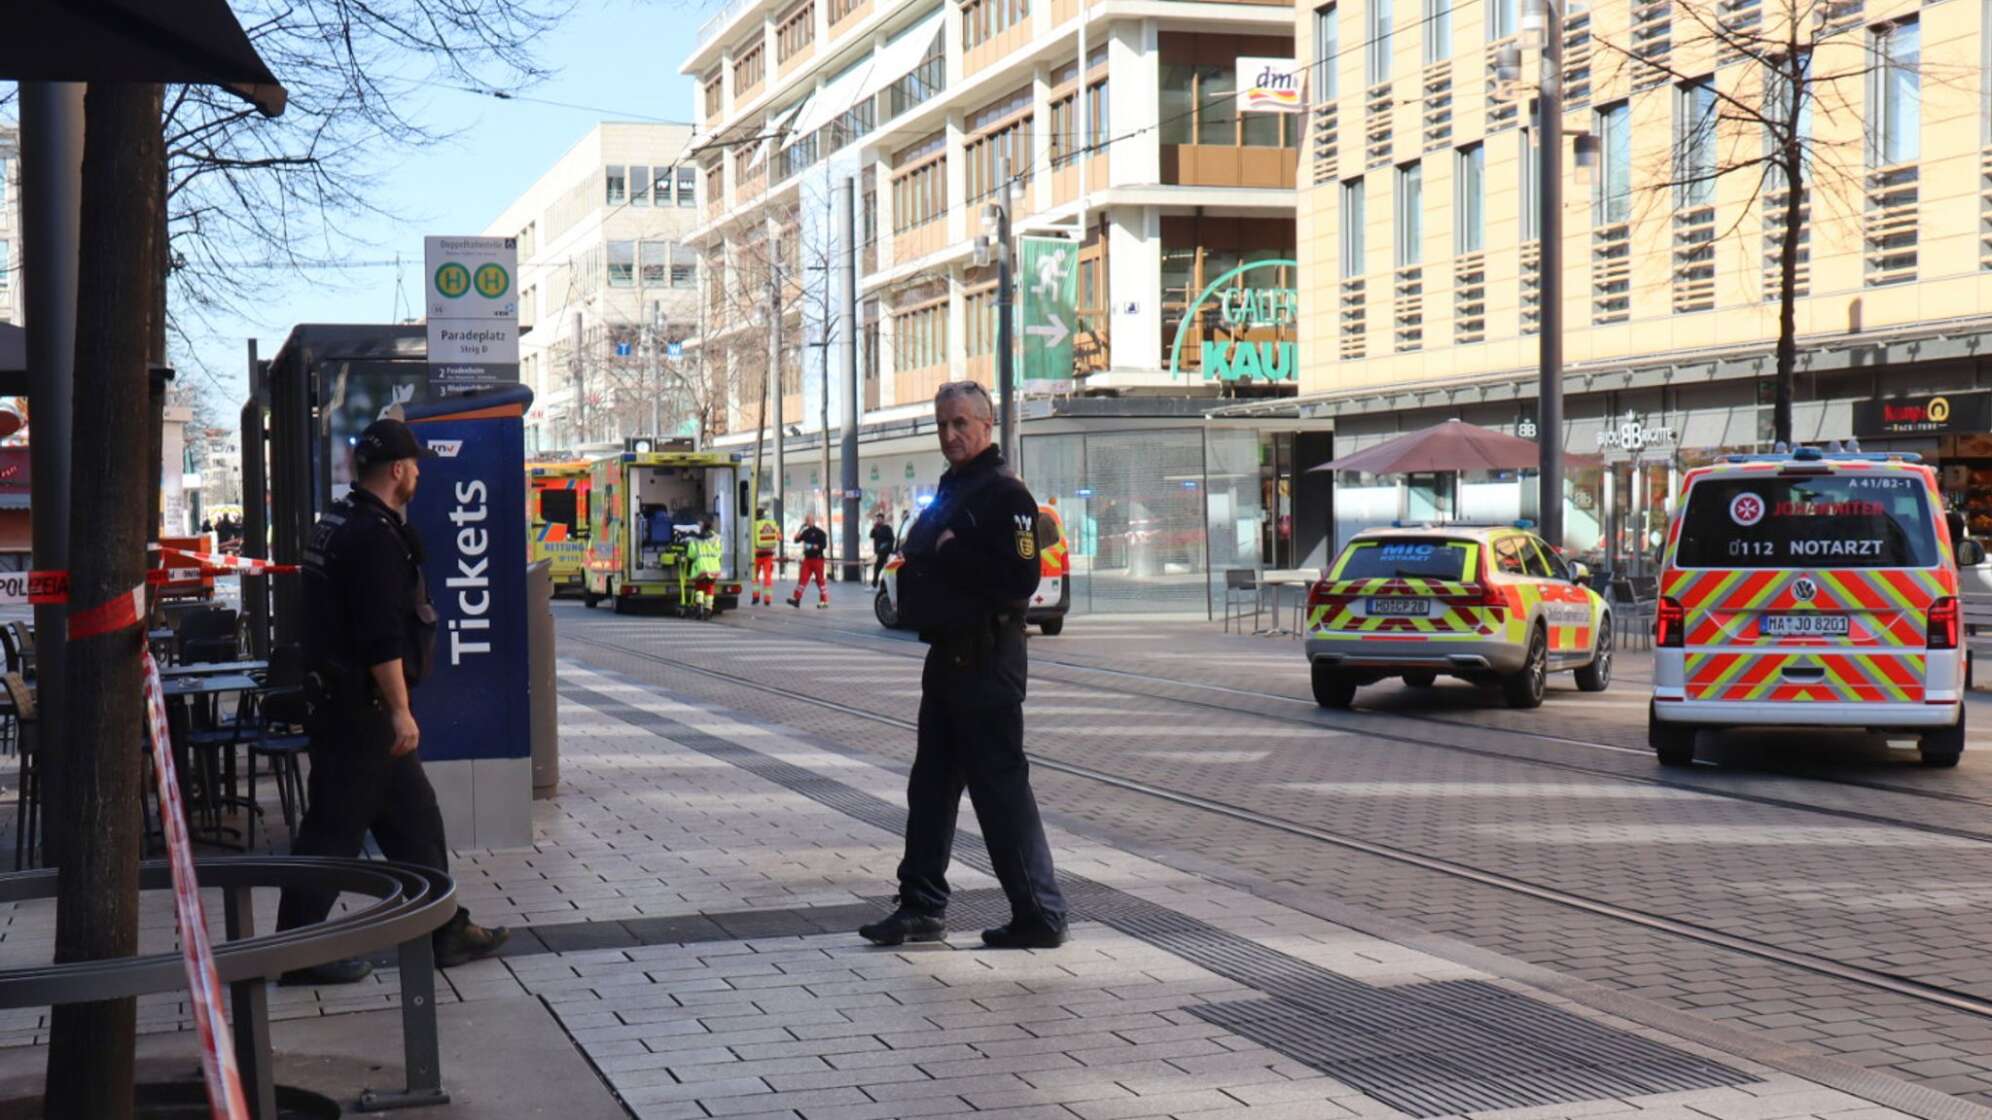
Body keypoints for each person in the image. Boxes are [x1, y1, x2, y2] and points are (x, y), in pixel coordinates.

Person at [275, 418, 509, 984]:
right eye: (417, 466)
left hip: (343, 704)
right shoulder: (373, 538)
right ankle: (298, 951)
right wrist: (400, 708)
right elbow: (380, 636)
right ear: (400, 470)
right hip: (362, 713)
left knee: (416, 823)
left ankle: (445, 928)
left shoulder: (338, 522)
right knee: (333, 833)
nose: (420, 474)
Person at [859, 381, 1067, 951]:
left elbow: (1021, 580)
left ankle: (1041, 915)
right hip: (947, 658)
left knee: (1000, 792)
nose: (950, 434)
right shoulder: (956, 488)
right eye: (942, 424)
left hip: (987, 661)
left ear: (986, 424)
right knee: (930, 788)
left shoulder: (1006, 494)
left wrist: (952, 551)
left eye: (960, 424)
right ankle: (921, 906)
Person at [787, 514, 829, 609]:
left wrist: (816, 546)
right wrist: (798, 532)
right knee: (802, 579)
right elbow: (796, 540)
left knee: (820, 580)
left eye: (809, 520)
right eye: (806, 520)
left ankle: (824, 601)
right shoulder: (805, 532)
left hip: (818, 559)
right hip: (807, 560)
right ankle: (796, 600)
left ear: (813, 521)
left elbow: (824, 545)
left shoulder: (820, 532)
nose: (807, 521)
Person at [692, 515, 724, 619]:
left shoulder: (696, 538)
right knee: (710, 587)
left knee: (699, 586)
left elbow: (691, 554)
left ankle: (699, 606)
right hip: (714, 567)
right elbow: (720, 553)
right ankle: (708, 609)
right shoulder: (717, 538)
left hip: (701, 567)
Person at [751, 507, 781, 605]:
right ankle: (767, 599)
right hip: (768, 554)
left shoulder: (753, 525)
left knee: (755, 577)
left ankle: (755, 598)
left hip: (757, 554)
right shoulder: (772, 524)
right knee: (767, 576)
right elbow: (780, 537)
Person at [870, 511, 896, 589]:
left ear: (883, 519)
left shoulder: (887, 528)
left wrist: (886, 546)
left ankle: (876, 585)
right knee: (880, 569)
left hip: (885, 552)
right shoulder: (876, 528)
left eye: (880, 519)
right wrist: (874, 528)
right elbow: (871, 536)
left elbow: (891, 539)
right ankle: (879, 585)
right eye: (877, 519)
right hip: (879, 552)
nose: (878, 520)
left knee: (878, 568)